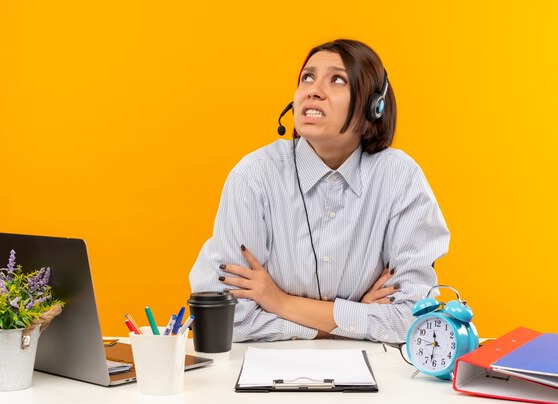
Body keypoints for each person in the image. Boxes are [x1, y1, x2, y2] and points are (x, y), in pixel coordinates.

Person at [189, 39, 450, 343]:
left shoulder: (400, 178)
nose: (312, 90)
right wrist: (352, 318)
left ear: (373, 107)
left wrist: (280, 302)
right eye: (307, 77)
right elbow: (226, 320)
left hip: (376, 375)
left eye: (337, 79)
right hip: (265, 372)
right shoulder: (254, 176)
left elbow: (412, 321)